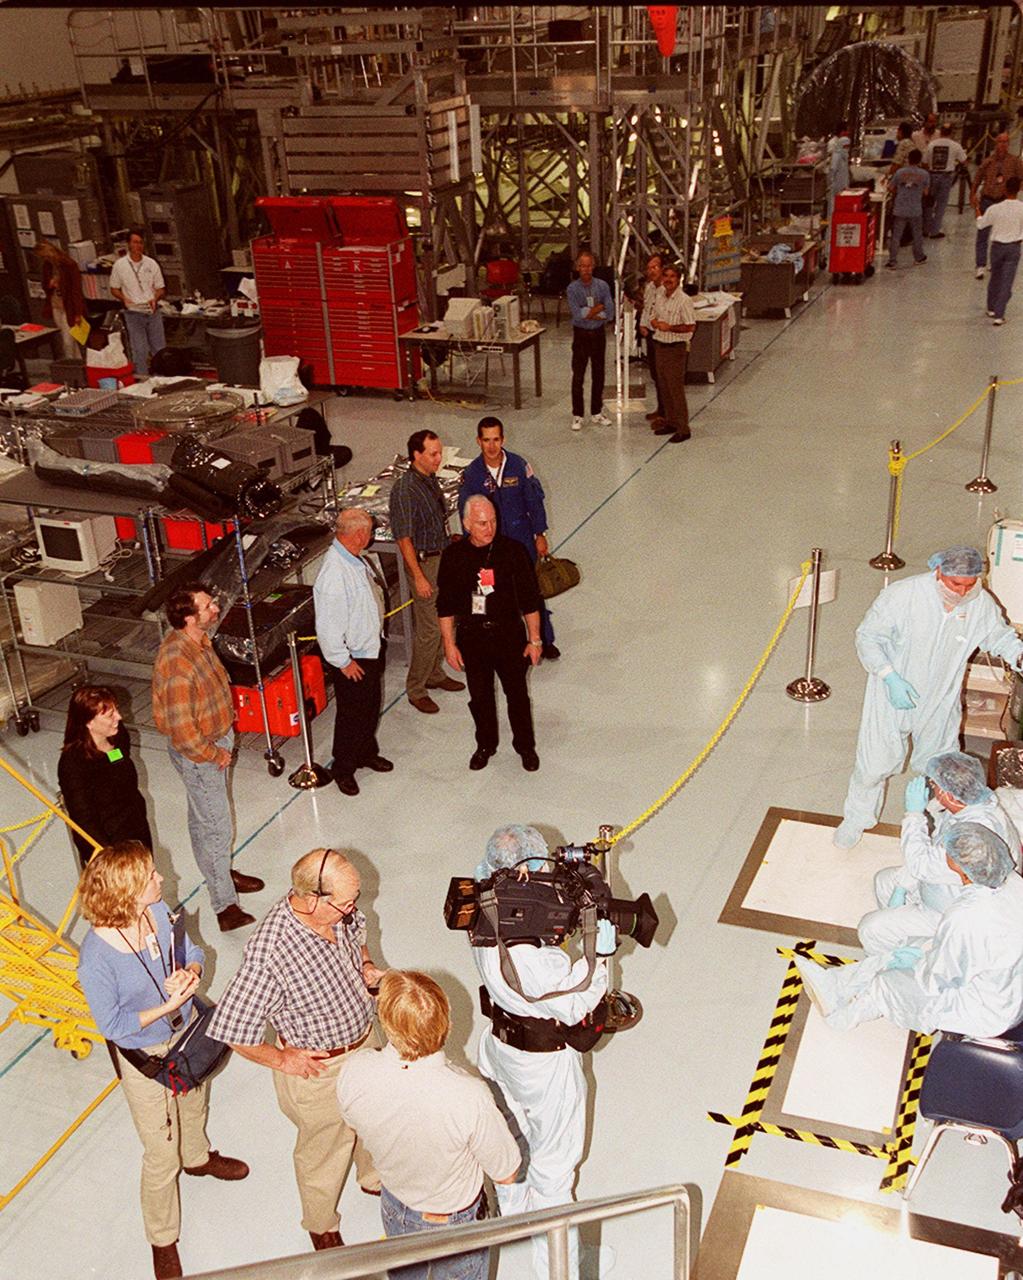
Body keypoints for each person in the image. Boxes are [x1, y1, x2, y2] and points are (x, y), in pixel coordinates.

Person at [77, 841, 248, 1280]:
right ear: (127, 893)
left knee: (194, 1103)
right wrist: (165, 1006)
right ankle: (162, 1237)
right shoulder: (96, 958)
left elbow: (193, 952)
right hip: (146, 1057)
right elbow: (113, 1025)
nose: (161, 879)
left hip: (187, 1033)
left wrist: (191, 974)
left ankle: (198, 1157)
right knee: (159, 1153)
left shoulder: (156, 911)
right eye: (151, 876)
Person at [208, 848, 384, 1253]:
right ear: (312, 899)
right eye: (345, 903)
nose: (353, 909)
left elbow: (358, 937)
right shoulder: (271, 952)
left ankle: (372, 1175)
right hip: (320, 1069)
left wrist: (366, 966)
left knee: (372, 1118)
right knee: (324, 1150)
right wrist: (283, 1059)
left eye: (354, 899)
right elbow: (233, 1028)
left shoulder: (340, 910)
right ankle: (321, 1224)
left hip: (364, 1042)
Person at [472, 825, 615, 1279]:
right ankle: (558, 1267)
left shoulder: (483, 904)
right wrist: (600, 954)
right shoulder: (535, 959)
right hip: (543, 1065)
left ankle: (516, 1221)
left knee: (513, 1142)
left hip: (498, 1049)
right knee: (554, 1170)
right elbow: (576, 1003)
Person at [337, 970, 522, 1280]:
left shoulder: (355, 1070)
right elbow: (507, 1173)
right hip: (455, 1224)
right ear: (446, 1025)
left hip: (396, 1206)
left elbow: (353, 1122)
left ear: (385, 1023)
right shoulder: (469, 1094)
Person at [834, 546, 1023, 849]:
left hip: (940, 701)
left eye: (970, 584)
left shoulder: (980, 604)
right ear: (938, 572)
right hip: (891, 695)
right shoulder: (903, 595)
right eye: (955, 584)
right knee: (873, 766)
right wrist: (888, 675)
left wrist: (1019, 656)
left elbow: (999, 637)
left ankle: (937, 824)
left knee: (941, 768)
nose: (962, 592)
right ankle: (857, 819)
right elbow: (868, 637)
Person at [798, 824, 1023, 1038]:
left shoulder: (966, 915)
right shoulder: (1013, 883)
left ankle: (843, 1018)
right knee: (907, 949)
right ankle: (837, 983)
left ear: (961, 869)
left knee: (887, 983)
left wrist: (917, 961)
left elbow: (937, 979)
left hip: (985, 1009)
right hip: (1001, 983)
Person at [151, 581, 262, 931]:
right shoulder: (178, 662)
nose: (215, 608)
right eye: (208, 606)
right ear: (188, 617)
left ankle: (221, 873)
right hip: (201, 754)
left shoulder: (198, 641)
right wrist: (213, 754)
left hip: (213, 741)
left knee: (205, 819)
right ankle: (225, 905)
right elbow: (183, 732)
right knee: (215, 826)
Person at [858, 753, 1021, 955]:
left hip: (949, 909)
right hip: (942, 884)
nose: (931, 786)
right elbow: (935, 846)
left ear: (948, 795)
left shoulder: (974, 838)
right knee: (884, 881)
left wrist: (914, 815)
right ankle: (901, 941)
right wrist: (901, 886)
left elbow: (921, 864)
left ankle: (891, 962)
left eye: (934, 784)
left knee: (871, 928)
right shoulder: (974, 804)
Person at [437, 495, 542, 772]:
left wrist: (535, 639)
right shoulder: (454, 557)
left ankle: (525, 746)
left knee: (517, 695)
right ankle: (485, 744)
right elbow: (445, 606)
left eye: (493, 521)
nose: (490, 528)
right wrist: (449, 644)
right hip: (472, 639)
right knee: (480, 697)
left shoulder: (513, 552)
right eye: (482, 523)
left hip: (509, 635)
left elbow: (530, 600)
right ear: (466, 524)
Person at [459, 416, 559, 659]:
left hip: (521, 541)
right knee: (490, 592)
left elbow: (534, 502)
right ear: (478, 441)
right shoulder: (472, 474)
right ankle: (500, 642)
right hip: (489, 546)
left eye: (496, 439)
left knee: (531, 590)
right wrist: (472, 547)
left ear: (503, 439)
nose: (491, 446)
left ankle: (544, 639)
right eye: (486, 440)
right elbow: (466, 513)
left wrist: (540, 534)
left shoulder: (518, 465)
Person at [313, 507, 392, 796]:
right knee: (351, 715)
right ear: (359, 534)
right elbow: (328, 626)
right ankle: (343, 768)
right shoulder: (334, 574)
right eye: (369, 531)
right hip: (353, 658)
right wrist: (343, 662)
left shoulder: (355, 559)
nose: (371, 535)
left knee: (369, 707)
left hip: (369, 648)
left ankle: (365, 753)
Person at [388, 430, 464, 715]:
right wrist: (418, 576)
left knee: (447, 619)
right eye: (432, 454)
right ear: (416, 455)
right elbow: (403, 538)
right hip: (424, 565)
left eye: (439, 452)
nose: (438, 458)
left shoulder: (429, 479)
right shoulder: (405, 489)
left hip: (441, 557)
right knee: (430, 629)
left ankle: (434, 673)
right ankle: (416, 688)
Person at [58, 685, 152, 868]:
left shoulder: (118, 736)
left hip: (136, 830)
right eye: (110, 715)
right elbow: (84, 820)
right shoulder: (73, 764)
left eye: (116, 709)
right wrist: (110, 858)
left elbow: (120, 763)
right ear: (88, 722)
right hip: (109, 847)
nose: (119, 717)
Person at [648, 263, 697, 444]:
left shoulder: (684, 300)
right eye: (666, 276)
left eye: (672, 277)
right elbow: (652, 314)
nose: (668, 280)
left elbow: (690, 326)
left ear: (678, 279)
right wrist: (654, 322)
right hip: (660, 346)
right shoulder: (660, 295)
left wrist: (670, 328)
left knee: (675, 389)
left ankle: (683, 428)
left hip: (675, 349)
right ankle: (670, 422)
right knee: (664, 387)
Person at [566, 250, 615, 432]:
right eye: (582, 266)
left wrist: (590, 312)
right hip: (581, 336)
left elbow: (609, 312)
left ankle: (597, 411)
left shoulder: (602, 286)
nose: (586, 269)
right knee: (578, 375)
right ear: (578, 268)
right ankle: (577, 414)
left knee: (599, 374)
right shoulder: (572, 289)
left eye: (589, 266)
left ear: (593, 267)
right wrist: (597, 308)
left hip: (598, 335)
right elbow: (577, 315)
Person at [110, 228, 167, 377]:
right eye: (135, 242)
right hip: (133, 313)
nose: (138, 246)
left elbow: (160, 288)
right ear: (128, 244)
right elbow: (114, 288)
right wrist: (124, 298)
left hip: (152, 311)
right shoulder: (120, 265)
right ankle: (143, 380)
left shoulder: (151, 264)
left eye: (140, 243)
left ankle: (162, 378)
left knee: (159, 349)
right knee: (140, 350)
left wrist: (155, 298)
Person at [970, 133, 1023, 278]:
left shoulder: (1015, 162)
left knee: (1000, 233)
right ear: (996, 143)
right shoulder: (988, 161)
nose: (1003, 145)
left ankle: (995, 261)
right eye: (1000, 142)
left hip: (1004, 201)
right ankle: (980, 265)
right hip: (987, 199)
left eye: (1006, 142)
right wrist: (973, 194)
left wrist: (1014, 191)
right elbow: (978, 177)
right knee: (982, 232)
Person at [974, 175, 1023, 325]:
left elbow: (981, 225)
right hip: (1013, 247)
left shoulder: (994, 208)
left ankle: (991, 307)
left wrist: (977, 210)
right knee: (1007, 281)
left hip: (997, 247)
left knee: (995, 277)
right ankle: (999, 315)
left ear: (1005, 189)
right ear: (1019, 189)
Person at [34, 240, 85, 359]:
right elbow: (44, 284)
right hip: (56, 304)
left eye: (46, 256)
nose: (45, 259)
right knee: (68, 338)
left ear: (51, 251)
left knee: (67, 341)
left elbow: (76, 290)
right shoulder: (47, 266)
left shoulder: (69, 265)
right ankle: (77, 363)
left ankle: (69, 363)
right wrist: (50, 284)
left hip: (69, 306)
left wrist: (78, 313)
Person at [886, 148, 929, 269]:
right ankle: (919, 257)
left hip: (900, 208)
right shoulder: (924, 174)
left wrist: (900, 192)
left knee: (896, 235)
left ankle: (892, 261)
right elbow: (926, 192)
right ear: (920, 160)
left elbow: (890, 188)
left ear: (908, 159)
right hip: (915, 209)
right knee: (917, 234)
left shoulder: (899, 172)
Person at [923, 124, 967, 238]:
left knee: (929, 203)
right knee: (941, 205)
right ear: (951, 132)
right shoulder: (955, 145)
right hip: (946, 177)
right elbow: (964, 160)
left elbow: (924, 162)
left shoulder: (931, 144)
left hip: (932, 175)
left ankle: (926, 229)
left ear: (940, 132)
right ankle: (935, 231)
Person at [638, 253, 666, 428]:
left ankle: (667, 412)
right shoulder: (649, 288)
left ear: (662, 269)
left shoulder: (667, 289)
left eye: (655, 267)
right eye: (649, 268)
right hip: (651, 335)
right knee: (655, 375)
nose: (651, 271)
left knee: (664, 376)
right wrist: (643, 324)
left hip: (664, 337)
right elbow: (647, 308)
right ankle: (661, 408)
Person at [826, 122, 851, 245]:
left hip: (843, 186)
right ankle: (830, 239)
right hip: (835, 188)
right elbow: (832, 170)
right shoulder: (836, 153)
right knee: (833, 212)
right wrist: (831, 184)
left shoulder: (843, 155)